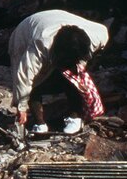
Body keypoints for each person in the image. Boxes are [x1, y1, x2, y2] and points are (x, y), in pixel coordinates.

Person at [8, 9, 109, 138]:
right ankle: (40, 123)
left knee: (73, 77)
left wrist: (81, 73)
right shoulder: (40, 44)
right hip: (25, 32)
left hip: (58, 18)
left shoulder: (98, 36)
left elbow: (93, 56)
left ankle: (75, 116)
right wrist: (21, 107)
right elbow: (24, 77)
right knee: (35, 82)